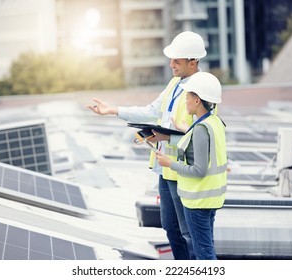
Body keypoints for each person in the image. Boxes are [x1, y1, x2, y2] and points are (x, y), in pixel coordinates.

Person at [87, 31, 207, 260]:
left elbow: (204, 136)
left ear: (193, 62)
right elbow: (152, 112)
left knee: (188, 234)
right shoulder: (175, 83)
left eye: (177, 60)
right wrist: (113, 110)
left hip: (183, 172)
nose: (171, 64)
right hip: (166, 169)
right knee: (171, 229)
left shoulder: (204, 89)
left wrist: (168, 138)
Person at [156, 72, 227, 260]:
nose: (185, 100)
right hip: (209, 199)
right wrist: (185, 130)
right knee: (206, 249)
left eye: (187, 96)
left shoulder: (201, 129)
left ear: (197, 100)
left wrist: (169, 163)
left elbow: (199, 170)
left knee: (204, 255)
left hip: (198, 201)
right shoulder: (213, 122)